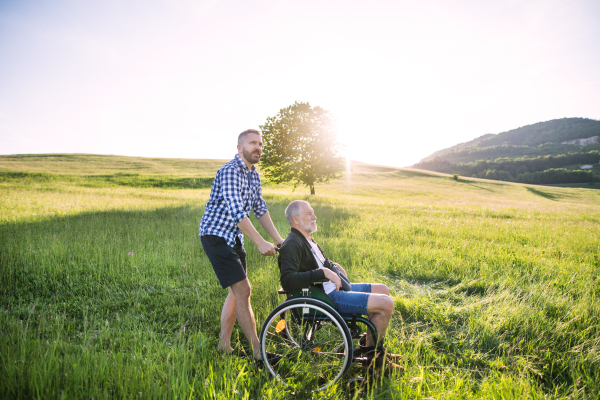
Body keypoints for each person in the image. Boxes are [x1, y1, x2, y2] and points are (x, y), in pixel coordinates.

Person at [278, 200, 399, 370]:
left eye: (313, 212)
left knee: (383, 290)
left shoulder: (307, 239)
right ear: (296, 219)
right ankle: (374, 359)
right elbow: (288, 280)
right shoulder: (292, 244)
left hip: (333, 288)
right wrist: (324, 273)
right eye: (309, 214)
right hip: (326, 297)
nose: (315, 216)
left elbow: (317, 262)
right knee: (386, 304)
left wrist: (332, 266)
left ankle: (370, 348)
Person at [199, 129, 284, 361]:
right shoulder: (229, 171)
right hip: (216, 236)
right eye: (253, 143)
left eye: (260, 144)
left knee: (236, 293)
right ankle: (259, 353)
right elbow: (237, 211)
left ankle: (223, 346)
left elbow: (260, 208)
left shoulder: (253, 174)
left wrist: (278, 240)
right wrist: (259, 242)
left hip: (234, 238)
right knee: (244, 290)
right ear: (240, 148)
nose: (258, 147)